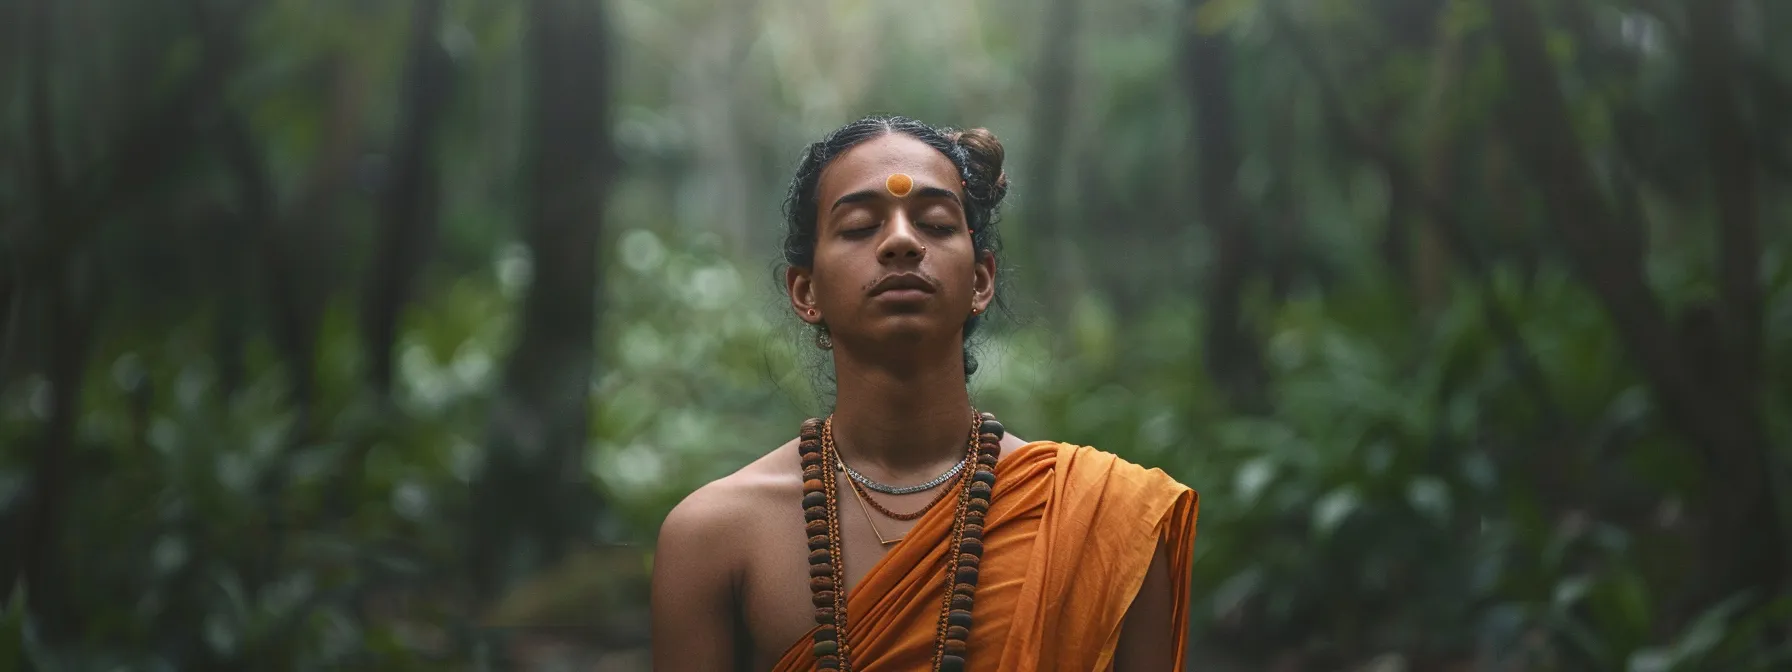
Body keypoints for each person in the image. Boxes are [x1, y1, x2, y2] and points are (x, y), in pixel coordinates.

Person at [650, 115, 1200, 671]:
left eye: (936, 224)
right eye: (861, 226)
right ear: (806, 289)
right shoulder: (714, 537)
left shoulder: (1104, 525)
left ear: (980, 280)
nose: (901, 242)